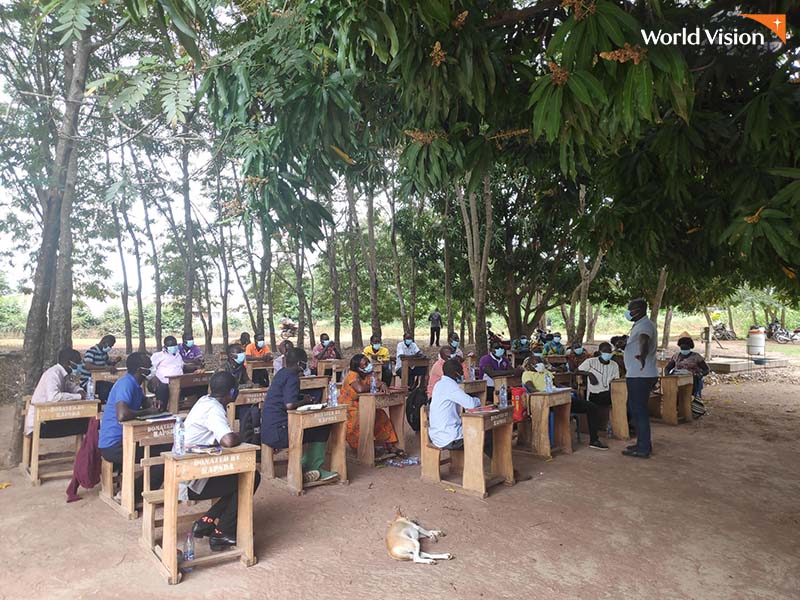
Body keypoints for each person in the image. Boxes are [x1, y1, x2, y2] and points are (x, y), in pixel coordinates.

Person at [185, 371, 261, 552]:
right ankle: (222, 532)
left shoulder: (204, 401)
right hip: (191, 479)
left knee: (239, 477)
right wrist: (240, 435)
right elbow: (227, 440)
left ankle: (207, 521)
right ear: (232, 392)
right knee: (250, 478)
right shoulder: (214, 409)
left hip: (193, 469)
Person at [261, 348, 338, 483]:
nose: (306, 364)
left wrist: (301, 397)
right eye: (305, 362)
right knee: (322, 428)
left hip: (268, 430)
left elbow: (284, 398)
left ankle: (306, 465)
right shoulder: (292, 377)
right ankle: (311, 467)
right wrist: (306, 401)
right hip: (281, 433)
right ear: (299, 363)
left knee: (312, 428)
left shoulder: (281, 373)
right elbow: (289, 405)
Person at [99, 353, 166, 493]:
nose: (152, 369)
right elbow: (122, 415)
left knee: (164, 446)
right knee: (164, 455)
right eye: (149, 366)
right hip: (114, 445)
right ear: (140, 371)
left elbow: (144, 401)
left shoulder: (135, 385)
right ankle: (133, 493)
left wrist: (153, 403)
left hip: (127, 439)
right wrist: (147, 412)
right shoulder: (126, 384)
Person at [428, 359, 492, 456]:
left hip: (438, 434)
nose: (462, 374)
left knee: (481, 431)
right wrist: (479, 400)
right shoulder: (451, 386)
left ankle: (492, 463)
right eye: (461, 372)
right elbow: (471, 404)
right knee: (486, 433)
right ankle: (493, 465)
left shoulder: (439, 384)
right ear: (455, 373)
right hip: (449, 437)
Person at [339, 354, 400, 454]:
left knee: (380, 414)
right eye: (365, 364)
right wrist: (374, 385)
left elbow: (378, 382)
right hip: (350, 406)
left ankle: (389, 444)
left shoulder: (370, 373)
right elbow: (360, 389)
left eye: (368, 362)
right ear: (358, 368)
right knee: (358, 418)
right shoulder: (352, 375)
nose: (368, 365)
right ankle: (361, 448)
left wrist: (383, 384)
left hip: (365, 404)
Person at [622, 298, 658, 458]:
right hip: (636, 374)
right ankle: (642, 443)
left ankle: (643, 448)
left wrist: (642, 355)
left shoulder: (645, 325)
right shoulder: (639, 324)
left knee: (639, 410)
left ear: (640, 309)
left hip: (641, 375)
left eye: (631, 309)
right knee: (633, 409)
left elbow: (644, 339)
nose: (628, 312)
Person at [25, 348, 88, 438]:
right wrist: (78, 396)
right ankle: (88, 451)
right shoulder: (53, 374)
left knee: (84, 421)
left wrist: (79, 390)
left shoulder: (62, 374)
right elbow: (54, 397)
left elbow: (70, 386)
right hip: (39, 424)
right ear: (69, 363)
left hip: (47, 417)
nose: (80, 365)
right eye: (78, 363)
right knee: (86, 424)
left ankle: (85, 450)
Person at [76, 334, 121, 403]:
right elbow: (88, 366)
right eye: (110, 345)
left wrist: (115, 362)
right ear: (104, 342)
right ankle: (100, 403)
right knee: (105, 390)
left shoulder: (104, 353)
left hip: (99, 380)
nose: (110, 348)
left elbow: (107, 364)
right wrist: (106, 368)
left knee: (114, 387)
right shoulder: (91, 351)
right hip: (87, 382)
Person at [150, 335, 186, 411]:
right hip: (163, 382)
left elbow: (182, 366)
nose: (173, 347)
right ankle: (162, 410)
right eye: (171, 345)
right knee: (162, 389)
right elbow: (150, 368)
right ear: (165, 346)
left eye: (174, 345)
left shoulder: (178, 355)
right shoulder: (158, 355)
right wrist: (153, 377)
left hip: (179, 383)